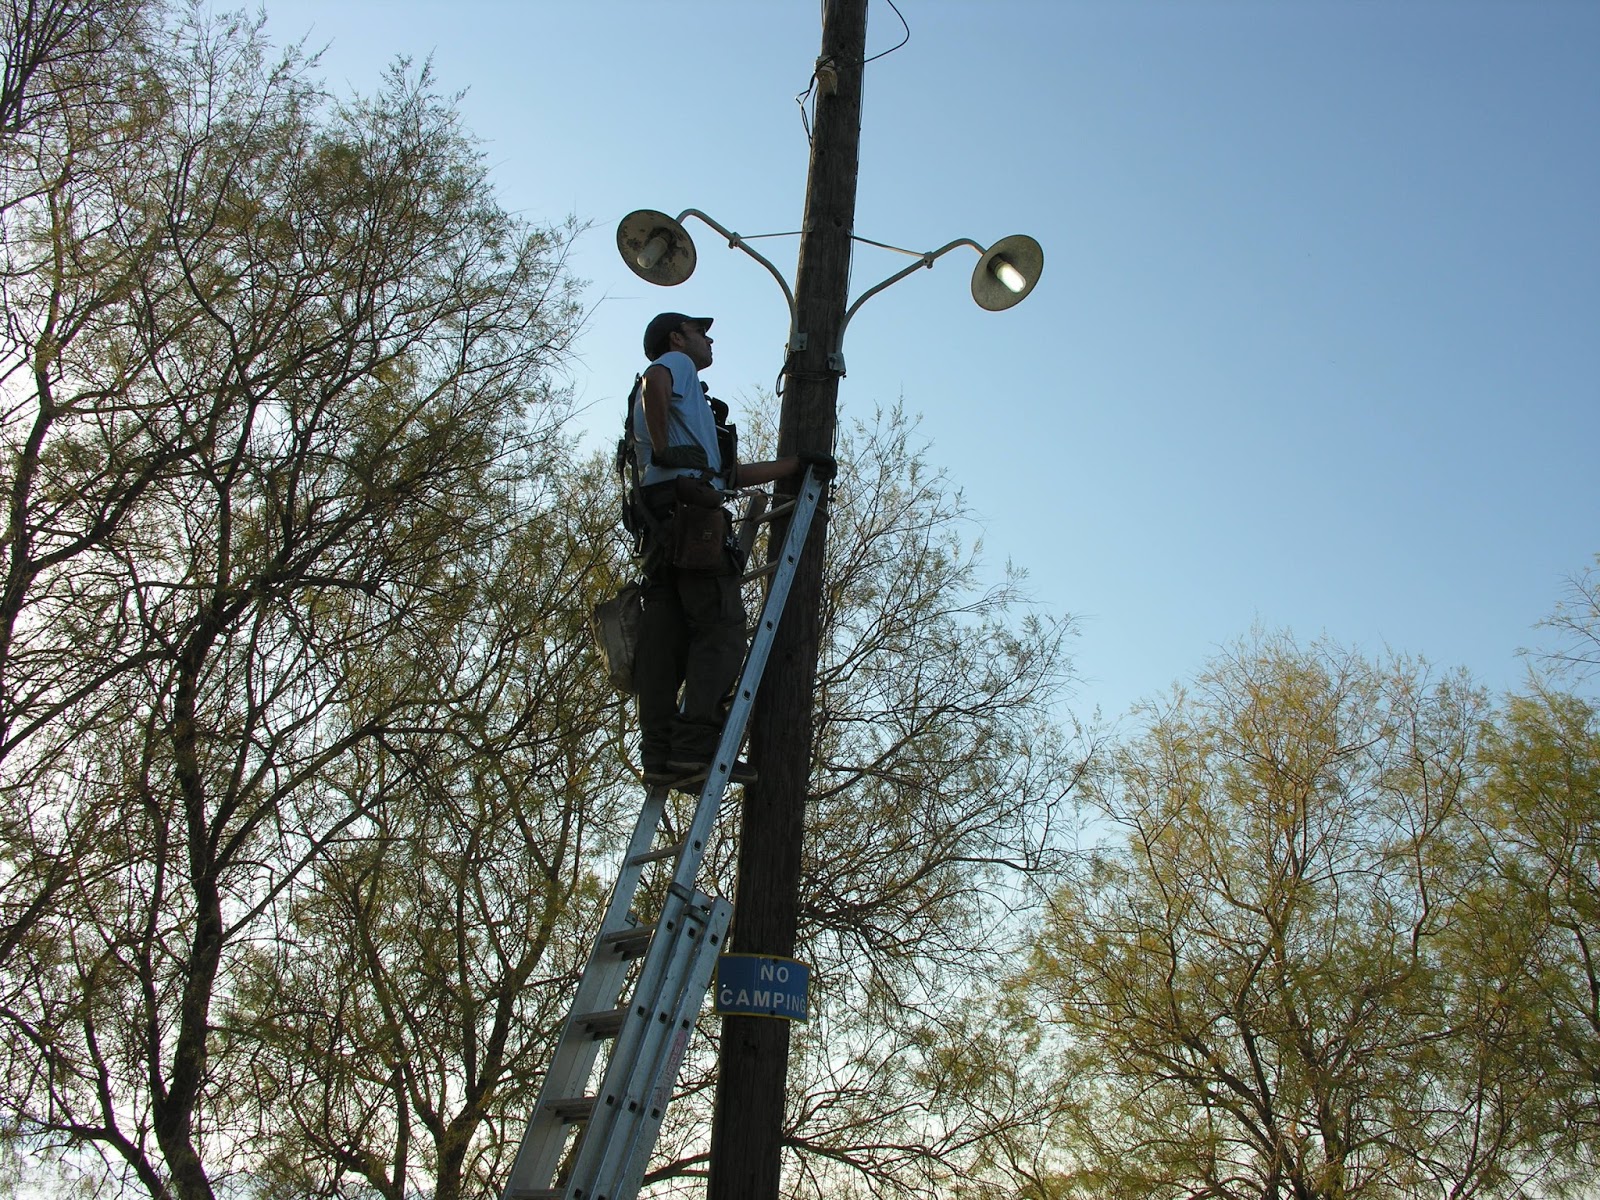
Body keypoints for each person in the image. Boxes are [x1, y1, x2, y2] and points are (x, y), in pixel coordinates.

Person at [629, 311, 832, 787]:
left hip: (660, 522)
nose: (709, 338)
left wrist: (796, 465)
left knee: (665, 642)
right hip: (688, 514)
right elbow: (653, 382)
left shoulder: (693, 409)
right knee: (720, 629)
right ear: (678, 338)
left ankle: (659, 756)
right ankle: (694, 748)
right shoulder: (675, 364)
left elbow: (728, 477)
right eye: (701, 331)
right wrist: (663, 447)